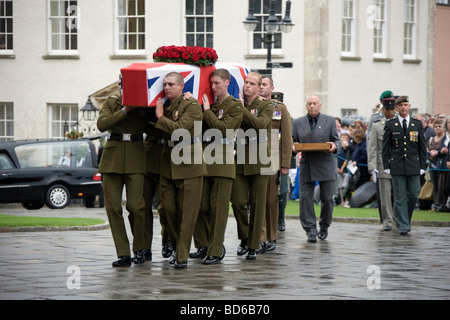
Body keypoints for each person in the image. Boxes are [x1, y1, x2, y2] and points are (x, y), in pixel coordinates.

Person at [189, 69, 243, 264]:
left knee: (218, 208)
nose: (213, 87)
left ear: (227, 82)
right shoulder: (207, 104)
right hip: (204, 158)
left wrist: (206, 112)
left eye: (217, 83)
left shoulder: (235, 106)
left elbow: (223, 130)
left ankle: (215, 249)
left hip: (222, 160)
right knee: (200, 205)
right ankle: (204, 244)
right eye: (211, 83)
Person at [154, 72, 206, 268]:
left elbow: (179, 129)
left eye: (171, 84)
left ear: (181, 86)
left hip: (189, 164)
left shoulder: (191, 105)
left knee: (187, 213)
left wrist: (160, 116)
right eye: (164, 84)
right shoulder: (165, 105)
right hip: (168, 164)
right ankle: (178, 247)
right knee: (166, 209)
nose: (166, 87)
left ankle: (181, 255)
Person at [97, 90, 148, 267]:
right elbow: (102, 124)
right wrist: (125, 110)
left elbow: (153, 127)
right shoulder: (111, 102)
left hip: (136, 157)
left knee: (136, 206)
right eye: (122, 83)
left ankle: (140, 248)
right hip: (112, 160)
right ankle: (123, 253)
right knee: (113, 207)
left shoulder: (144, 104)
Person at [231, 72, 274, 260]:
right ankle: (245, 236)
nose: (247, 86)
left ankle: (253, 246)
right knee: (238, 201)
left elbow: (260, 123)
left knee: (257, 204)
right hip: (240, 157)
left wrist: (242, 110)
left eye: (252, 83)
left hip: (259, 158)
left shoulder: (265, 105)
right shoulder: (236, 104)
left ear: (258, 87)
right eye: (245, 83)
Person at [292, 95, 340, 242]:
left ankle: (324, 226)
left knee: (327, 198)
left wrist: (334, 145)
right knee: (305, 198)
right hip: (307, 164)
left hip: (325, 163)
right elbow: (293, 140)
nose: (312, 106)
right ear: (306, 106)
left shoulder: (330, 120)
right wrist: (293, 147)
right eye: (309, 104)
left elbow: (336, 138)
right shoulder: (298, 122)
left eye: (315, 103)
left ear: (320, 105)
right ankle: (310, 230)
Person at [382, 96, 427, 235]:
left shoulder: (417, 124)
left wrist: (422, 165)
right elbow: (386, 148)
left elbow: (422, 147)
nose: (403, 107)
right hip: (397, 165)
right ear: (396, 107)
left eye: (405, 105)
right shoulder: (390, 125)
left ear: (409, 106)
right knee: (400, 196)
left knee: (414, 195)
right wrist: (387, 165)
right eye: (400, 105)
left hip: (413, 164)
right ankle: (403, 224)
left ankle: (405, 219)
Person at [258, 77, 292, 252]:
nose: (260, 87)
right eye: (259, 85)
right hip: (253, 157)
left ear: (271, 88)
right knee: (256, 200)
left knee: (271, 200)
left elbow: (286, 138)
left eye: (264, 85)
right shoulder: (250, 106)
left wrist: (285, 164)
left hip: (272, 159)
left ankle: (271, 236)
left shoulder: (280, 109)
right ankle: (259, 237)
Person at [368, 97, 396, 230]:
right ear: (383, 110)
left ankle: (399, 218)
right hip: (383, 165)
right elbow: (372, 148)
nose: (390, 112)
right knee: (385, 196)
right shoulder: (377, 126)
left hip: (400, 165)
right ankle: (388, 221)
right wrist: (372, 167)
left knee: (403, 195)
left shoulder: (401, 124)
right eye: (387, 109)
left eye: (392, 109)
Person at [427, 119, 449, 212]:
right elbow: (427, 149)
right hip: (432, 164)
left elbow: (445, 150)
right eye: (435, 126)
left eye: (439, 126)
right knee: (435, 186)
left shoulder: (445, 138)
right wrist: (430, 152)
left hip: (443, 165)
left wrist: (438, 152)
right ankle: (436, 204)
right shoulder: (431, 138)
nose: (437, 128)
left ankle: (443, 204)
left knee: (443, 186)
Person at [336, 132, 350, 206]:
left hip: (345, 170)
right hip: (338, 170)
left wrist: (342, 168)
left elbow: (347, 159)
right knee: (340, 186)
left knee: (346, 185)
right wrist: (337, 168)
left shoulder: (348, 149)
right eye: (343, 137)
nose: (344, 139)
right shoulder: (338, 148)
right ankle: (342, 201)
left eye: (346, 137)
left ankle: (346, 200)